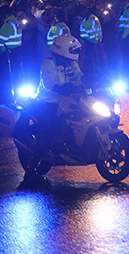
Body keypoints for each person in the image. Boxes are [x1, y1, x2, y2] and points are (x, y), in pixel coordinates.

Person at [29, 34, 85, 175]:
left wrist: (88, 81)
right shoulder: (48, 63)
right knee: (50, 130)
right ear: (63, 50)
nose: (76, 52)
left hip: (66, 100)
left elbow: (79, 76)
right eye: (73, 50)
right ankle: (30, 170)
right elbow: (49, 81)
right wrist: (59, 88)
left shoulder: (72, 63)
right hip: (48, 102)